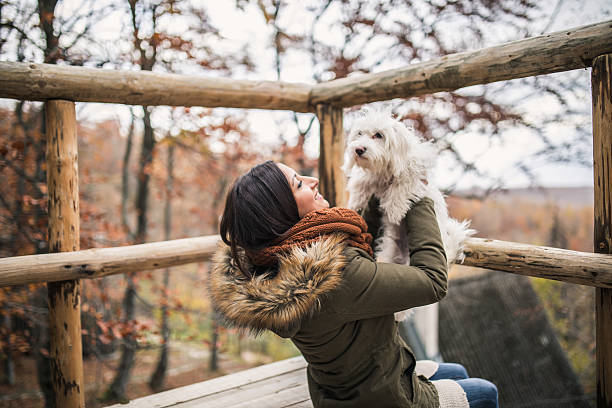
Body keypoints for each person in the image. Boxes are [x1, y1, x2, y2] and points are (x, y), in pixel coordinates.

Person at [209, 160, 498, 408]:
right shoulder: (335, 276)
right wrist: (417, 196)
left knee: (457, 370)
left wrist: (377, 188)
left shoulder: (272, 265)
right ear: (280, 213)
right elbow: (432, 281)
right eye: (299, 184)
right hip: (385, 398)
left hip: (339, 393)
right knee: (486, 392)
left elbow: (362, 258)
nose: (313, 181)